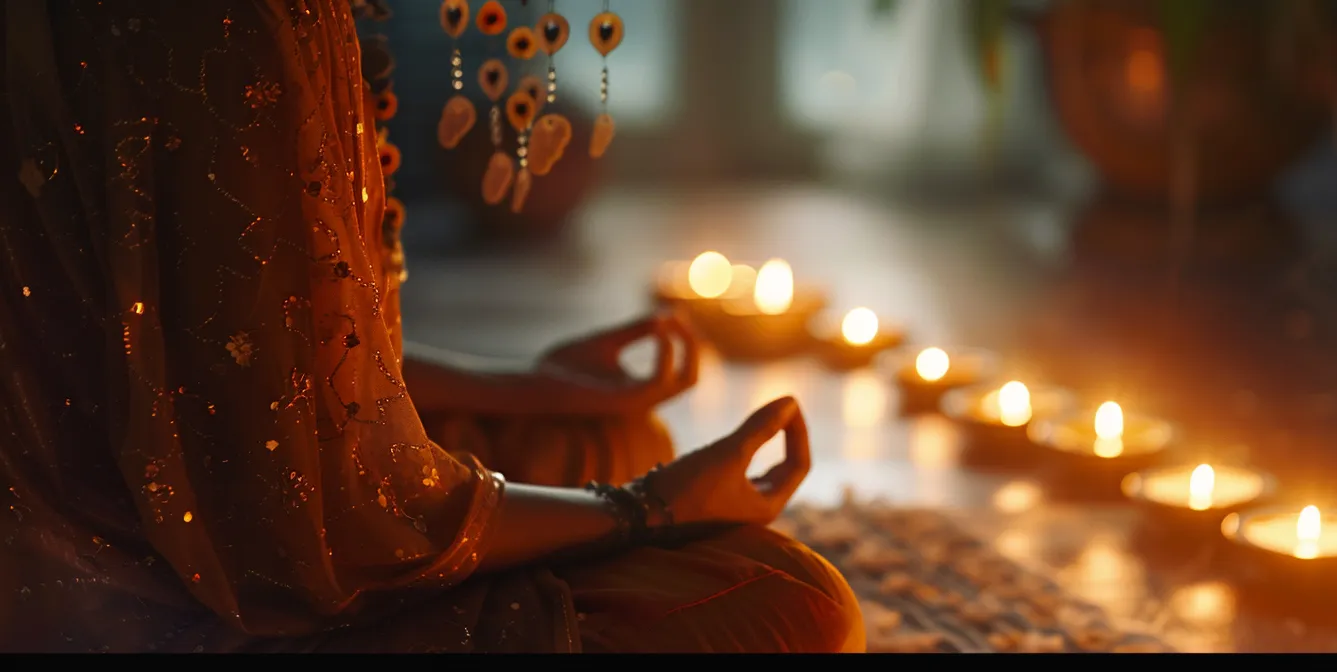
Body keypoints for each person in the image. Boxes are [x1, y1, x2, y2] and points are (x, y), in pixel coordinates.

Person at [0, 0, 863, 653]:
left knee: (601, 434)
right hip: (137, 594)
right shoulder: (228, 30)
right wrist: (643, 511)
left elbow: (251, 361)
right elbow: (330, 524)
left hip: (173, 483)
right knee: (796, 602)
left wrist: (532, 385)